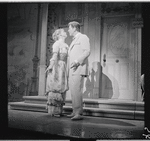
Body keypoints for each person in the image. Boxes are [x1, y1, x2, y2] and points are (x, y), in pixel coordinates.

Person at [67, 21, 91, 120]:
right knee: (73, 91)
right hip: (72, 69)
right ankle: (75, 111)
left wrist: (77, 61)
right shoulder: (73, 40)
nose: (68, 30)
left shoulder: (83, 37)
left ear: (74, 28)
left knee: (77, 90)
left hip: (78, 67)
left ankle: (79, 113)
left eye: (69, 28)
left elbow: (87, 51)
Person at [45, 28, 69, 117]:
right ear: (59, 35)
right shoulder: (57, 44)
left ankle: (59, 110)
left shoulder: (66, 45)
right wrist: (51, 66)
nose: (65, 32)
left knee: (61, 87)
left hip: (63, 67)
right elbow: (54, 55)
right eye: (63, 32)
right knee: (56, 87)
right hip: (57, 67)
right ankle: (54, 111)